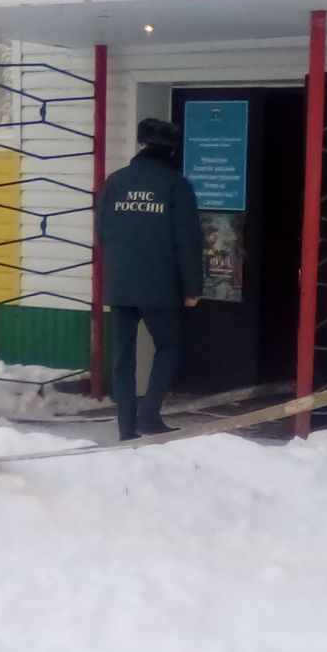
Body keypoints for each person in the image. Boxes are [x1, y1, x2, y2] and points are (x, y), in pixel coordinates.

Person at [98, 117, 202, 440]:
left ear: (142, 144)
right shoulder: (176, 185)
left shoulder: (115, 181)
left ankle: (126, 429)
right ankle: (149, 416)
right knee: (168, 347)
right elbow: (187, 240)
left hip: (119, 285)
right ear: (171, 150)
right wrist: (192, 288)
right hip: (160, 286)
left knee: (123, 357)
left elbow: (102, 231)